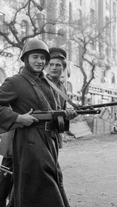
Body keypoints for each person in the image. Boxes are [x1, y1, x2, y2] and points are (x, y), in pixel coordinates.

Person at [0, 39, 77, 207]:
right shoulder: (15, 81)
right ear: (26, 58)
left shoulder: (48, 83)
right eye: (35, 57)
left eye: (43, 58)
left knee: (32, 187)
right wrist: (17, 118)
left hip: (49, 141)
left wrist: (66, 115)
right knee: (44, 186)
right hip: (29, 141)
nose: (39, 61)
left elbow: (54, 110)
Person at [46, 47, 71, 207]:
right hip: (30, 135)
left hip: (51, 135)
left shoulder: (62, 87)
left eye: (58, 65)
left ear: (63, 68)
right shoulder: (41, 83)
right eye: (52, 64)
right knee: (8, 174)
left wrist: (67, 114)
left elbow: (60, 112)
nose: (55, 68)